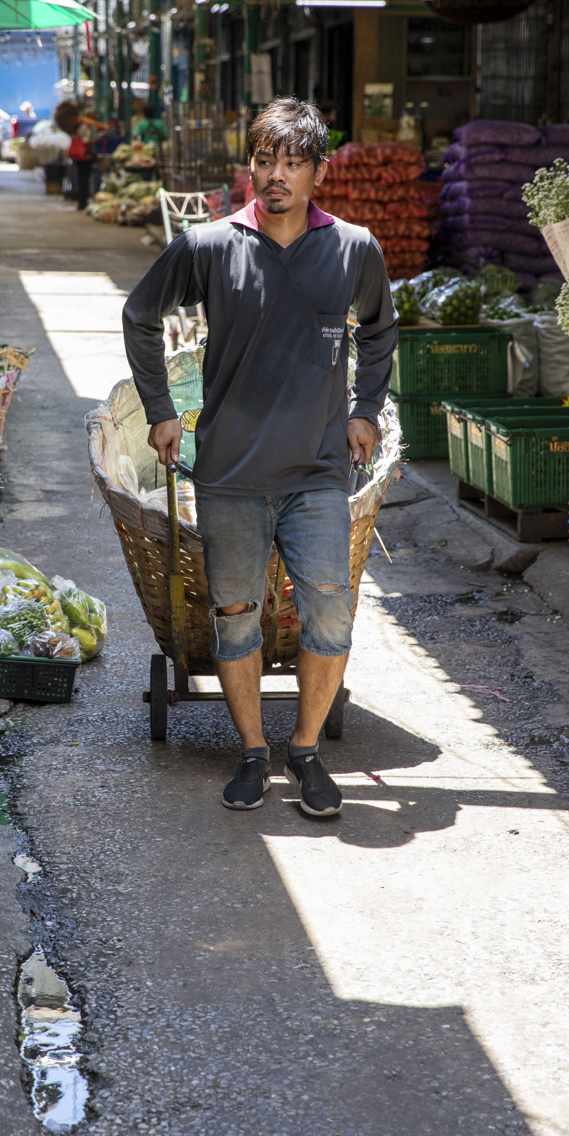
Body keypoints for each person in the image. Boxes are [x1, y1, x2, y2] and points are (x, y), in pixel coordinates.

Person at [122, 96, 398, 817]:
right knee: (235, 616)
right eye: (264, 161)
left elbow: (379, 331)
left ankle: (304, 750)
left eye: (292, 163)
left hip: (315, 474)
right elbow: (140, 315)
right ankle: (252, 752)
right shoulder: (209, 246)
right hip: (230, 473)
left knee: (330, 616)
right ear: (250, 168)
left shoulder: (353, 249)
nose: (275, 175)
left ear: (317, 173)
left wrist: (365, 409)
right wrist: (159, 412)